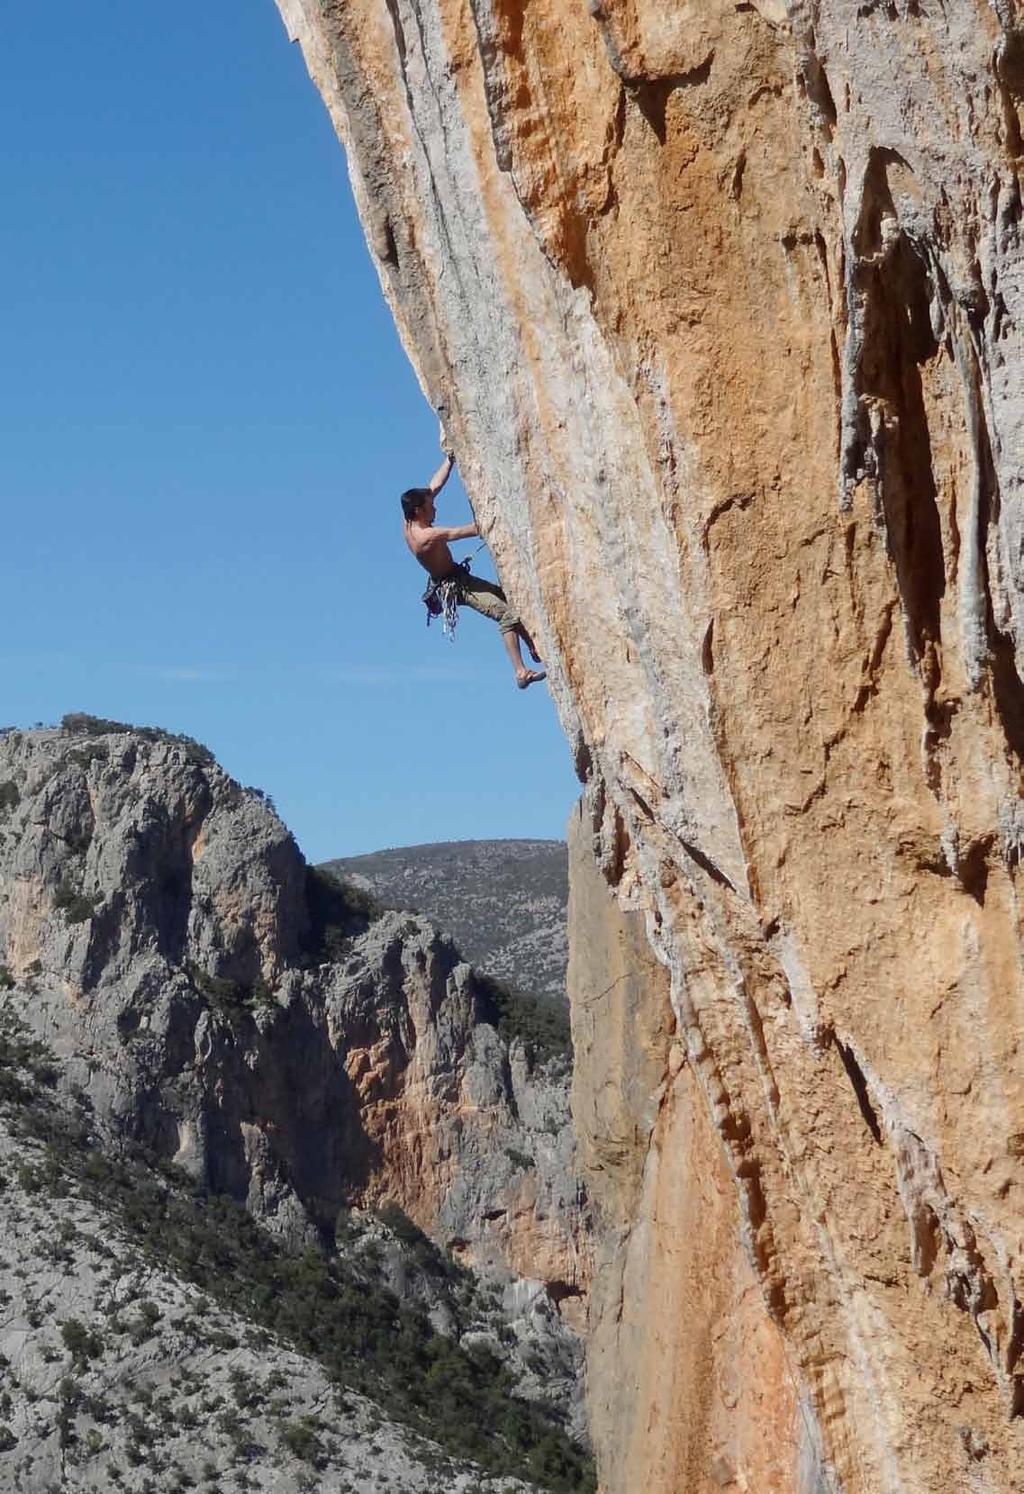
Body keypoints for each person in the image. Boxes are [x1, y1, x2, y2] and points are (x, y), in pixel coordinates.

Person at [401, 452, 546, 689]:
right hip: (456, 588)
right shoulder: (424, 537)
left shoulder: (410, 517)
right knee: (505, 613)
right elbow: (461, 532)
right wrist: (496, 519)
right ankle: (520, 672)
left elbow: (433, 486)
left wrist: (450, 458)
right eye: (431, 506)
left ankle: (532, 643)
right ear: (419, 511)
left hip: (457, 577)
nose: (434, 507)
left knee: (504, 595)